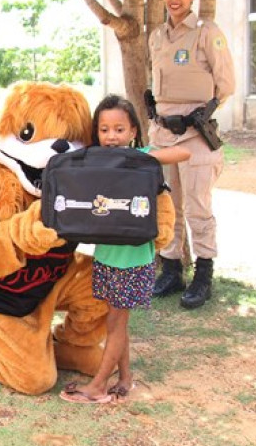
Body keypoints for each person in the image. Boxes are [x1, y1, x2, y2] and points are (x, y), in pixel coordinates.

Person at [61, 95, 190, 404]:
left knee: (117, 322)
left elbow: (183, 152)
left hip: (133, 259)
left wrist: (145, 157)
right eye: (104, 130)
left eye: (119, 129)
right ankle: (126, 378)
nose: (111, 137)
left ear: (133, 131)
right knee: (115, 322)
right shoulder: (96, 159)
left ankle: (99, 386)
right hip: (106, 256)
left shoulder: (140, 156)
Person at [148, 0, 235, 309]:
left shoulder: (206, 32)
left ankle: (203, 274)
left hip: (195, 135)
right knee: (169, 203)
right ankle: (171, 269)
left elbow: (226, 85)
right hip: (163, 133)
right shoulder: (157, 36)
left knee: (198, 206)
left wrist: (205, 112)